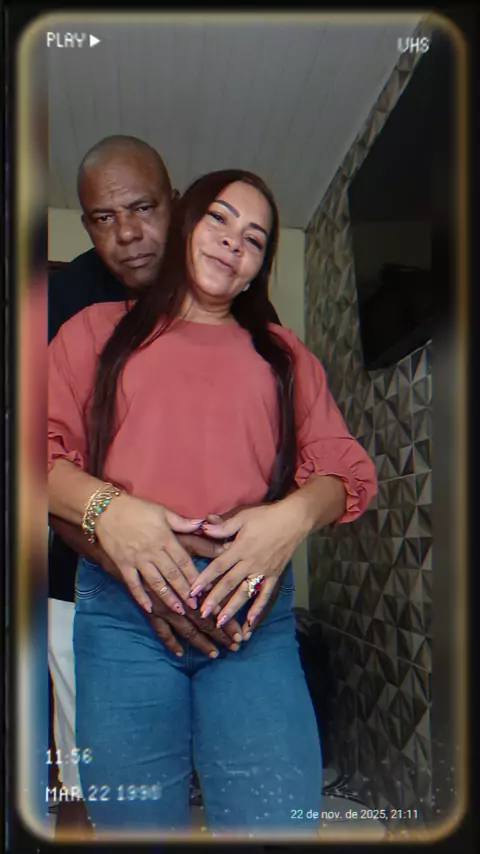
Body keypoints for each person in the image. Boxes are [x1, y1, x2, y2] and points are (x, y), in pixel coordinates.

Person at [48, 168, 377, 837]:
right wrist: (109, 509)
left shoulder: (283, 355)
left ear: (258, 270)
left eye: (254, 238)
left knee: (277, 822)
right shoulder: (93, 332)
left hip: (250, 613)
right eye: (220, 219)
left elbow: (345, 472)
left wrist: (289, 520)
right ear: (185, 224)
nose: (234, 242)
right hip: (123, 616)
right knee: (135, 826)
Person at [48, 137, 277, 833]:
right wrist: (131, 556)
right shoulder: (63, 303)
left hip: (224, 594)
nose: (126, 235)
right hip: (81, 581)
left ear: (176, 204)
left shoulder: (242, 310)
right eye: (103, 218)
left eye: (143, 208)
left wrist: (266, 541)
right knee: (101, 788)